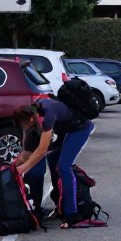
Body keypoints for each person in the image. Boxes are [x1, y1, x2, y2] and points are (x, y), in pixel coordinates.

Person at [13, 96, 95, 228]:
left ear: (31, 119)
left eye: (24, 126)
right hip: (66, 130)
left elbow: (42, 149)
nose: (25, 129)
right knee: (52, 158)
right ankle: (60, 205)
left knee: (64, 166)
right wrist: (20, 159)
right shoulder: (32, 113)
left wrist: (25, 167)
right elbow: (26, 143)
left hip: (80, 129)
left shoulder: (47, 116)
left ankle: (71, 213)